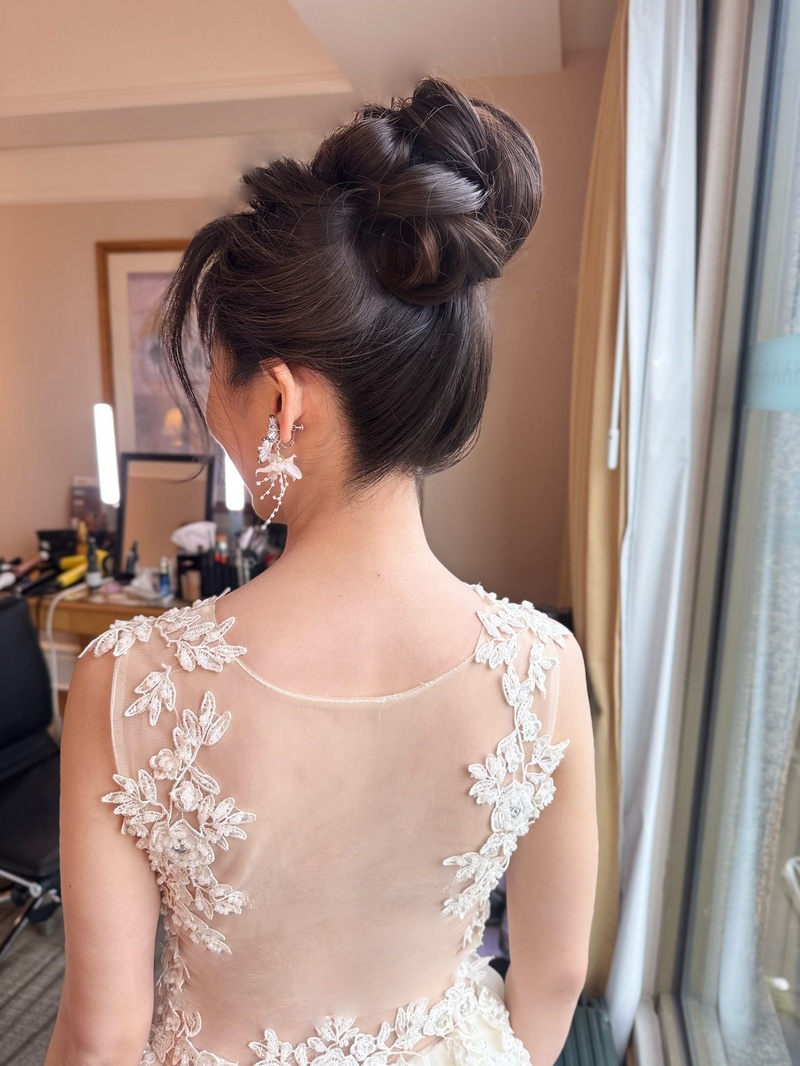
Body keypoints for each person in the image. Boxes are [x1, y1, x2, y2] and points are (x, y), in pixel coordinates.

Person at [45, 78, 598, 1066]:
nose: (212, 416)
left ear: (282, 402)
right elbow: (553, 977)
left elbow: (100, 1033)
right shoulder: (543, 665)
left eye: (213, 374)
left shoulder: (126, 682)